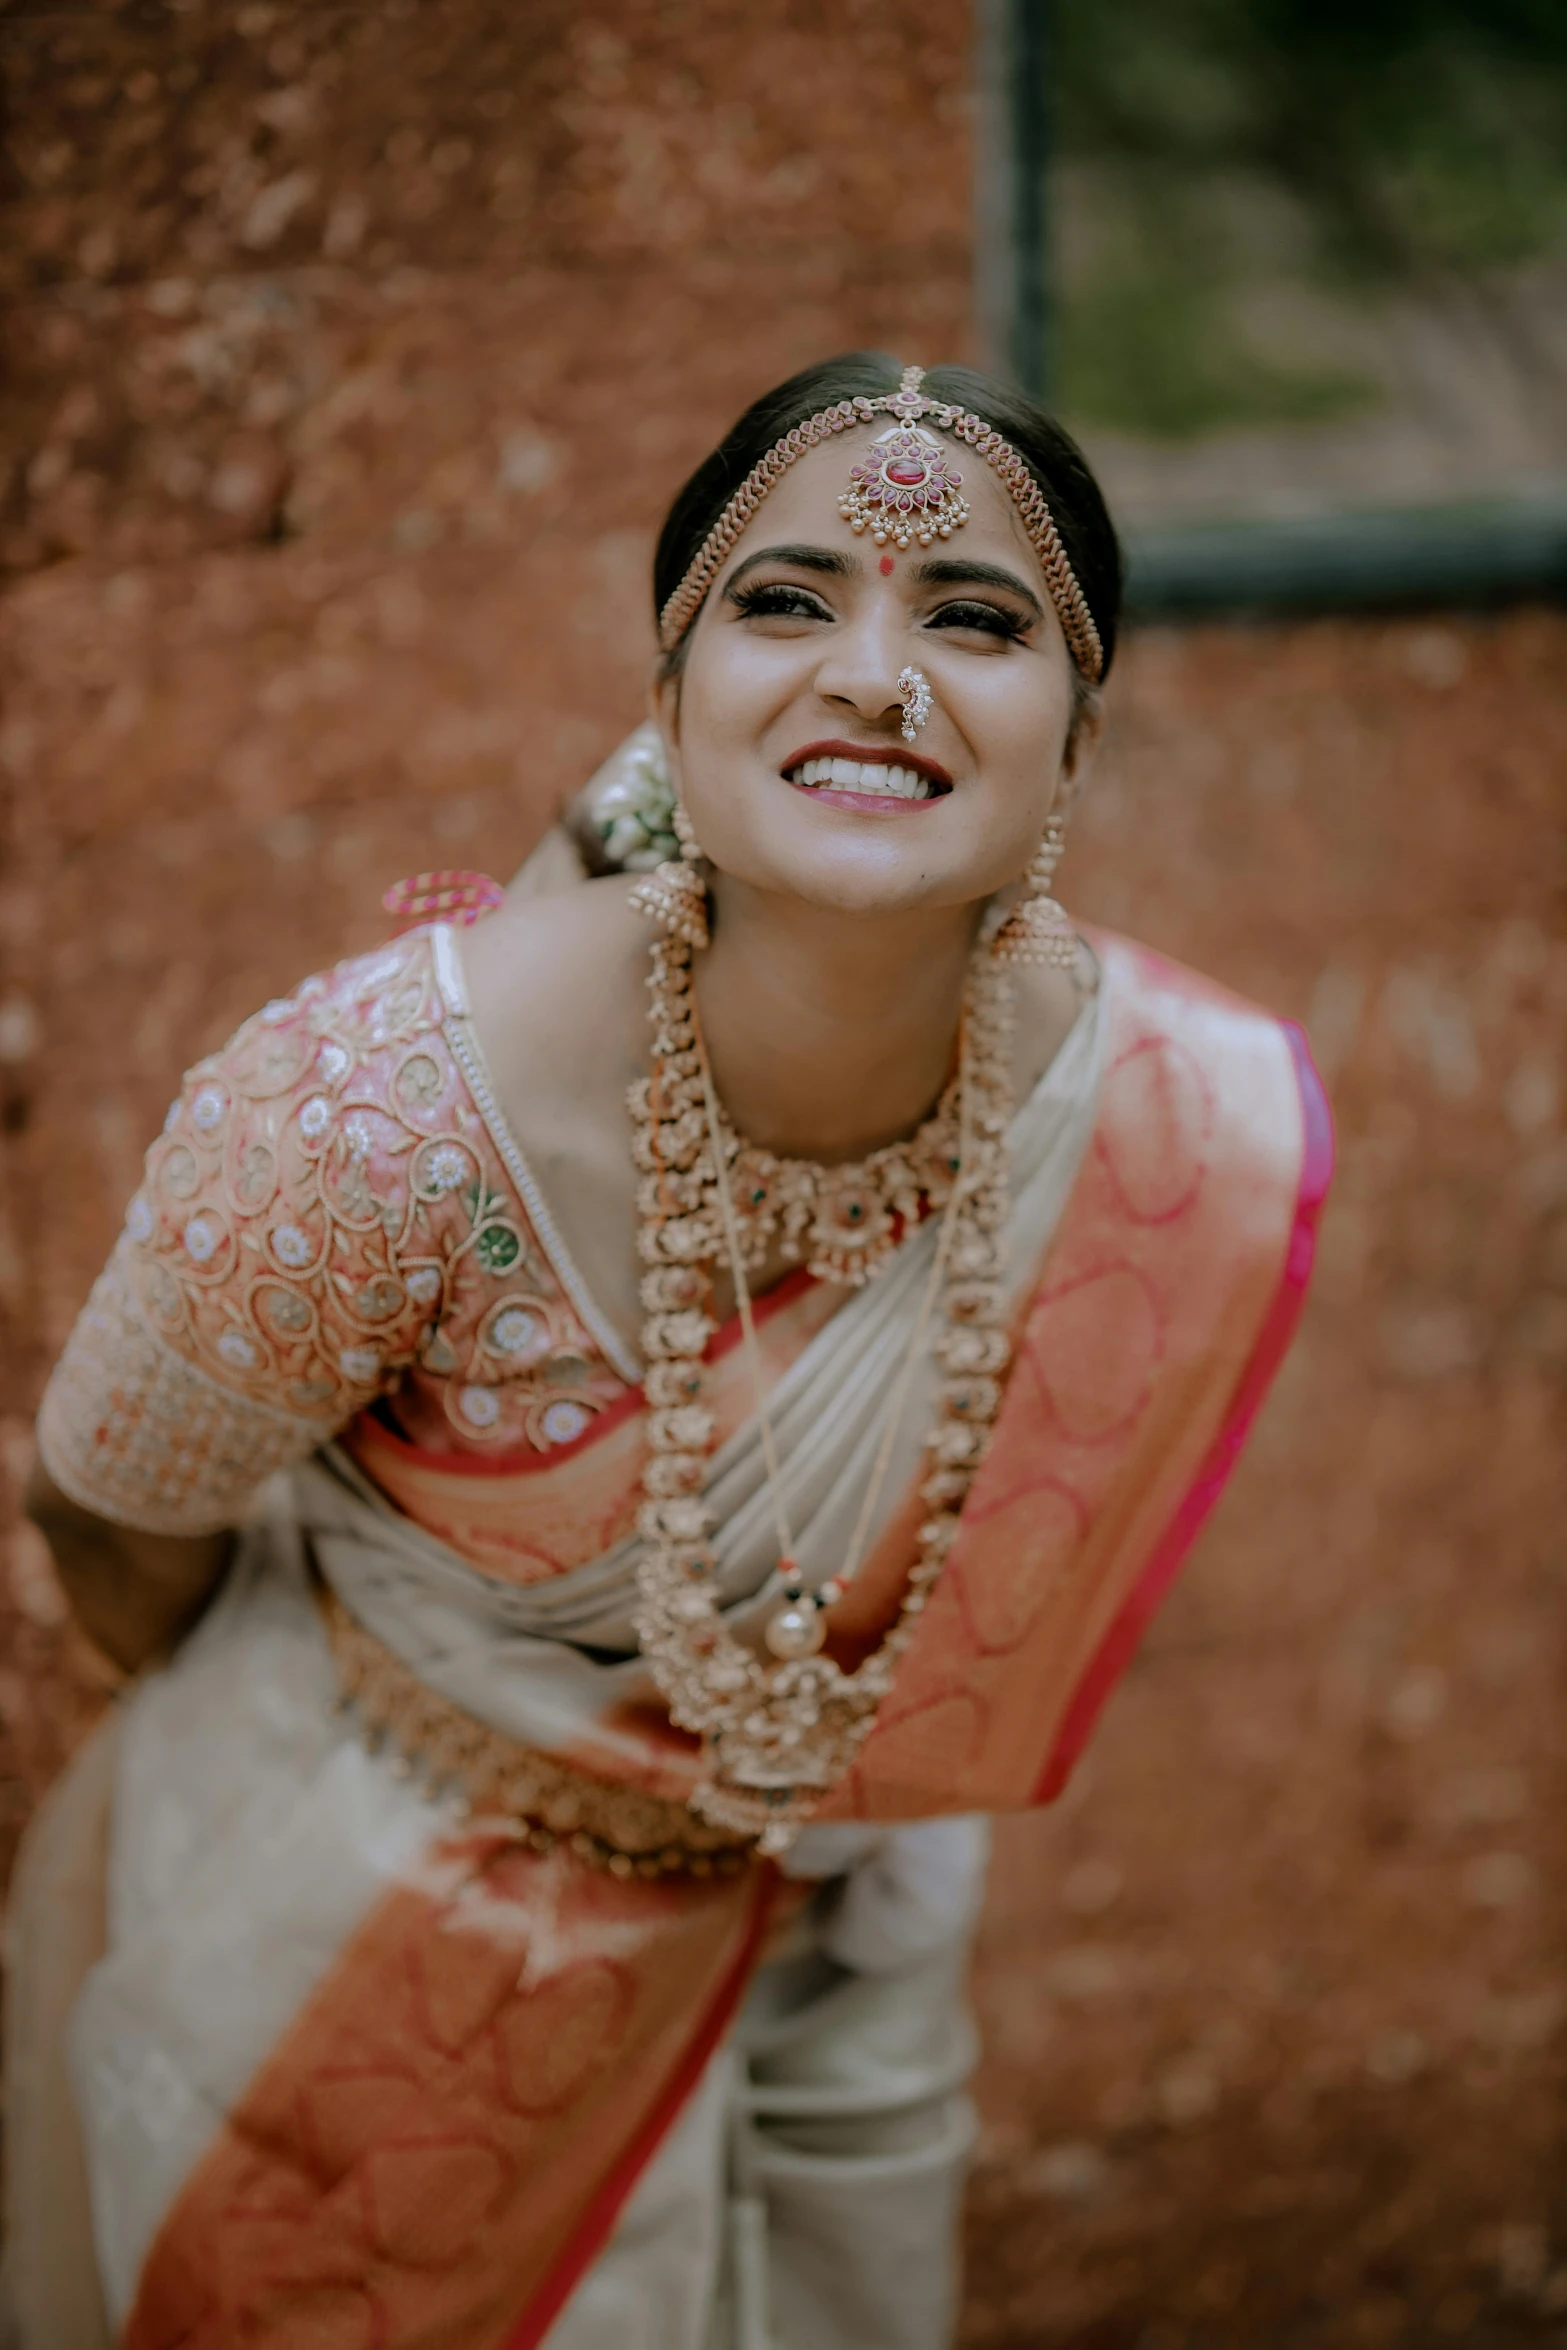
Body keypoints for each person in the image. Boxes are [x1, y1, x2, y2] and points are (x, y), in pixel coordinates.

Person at [5, 354, 1331, 2350]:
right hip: (339, 1928)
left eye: (974, 616)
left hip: (832, 1948)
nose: (876, 673)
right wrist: (405, 1750)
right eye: (785, 599)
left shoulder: (1161, 1118)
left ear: (1078, 732)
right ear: (668, 694)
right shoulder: (376, 1118)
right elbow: (109, 1514)